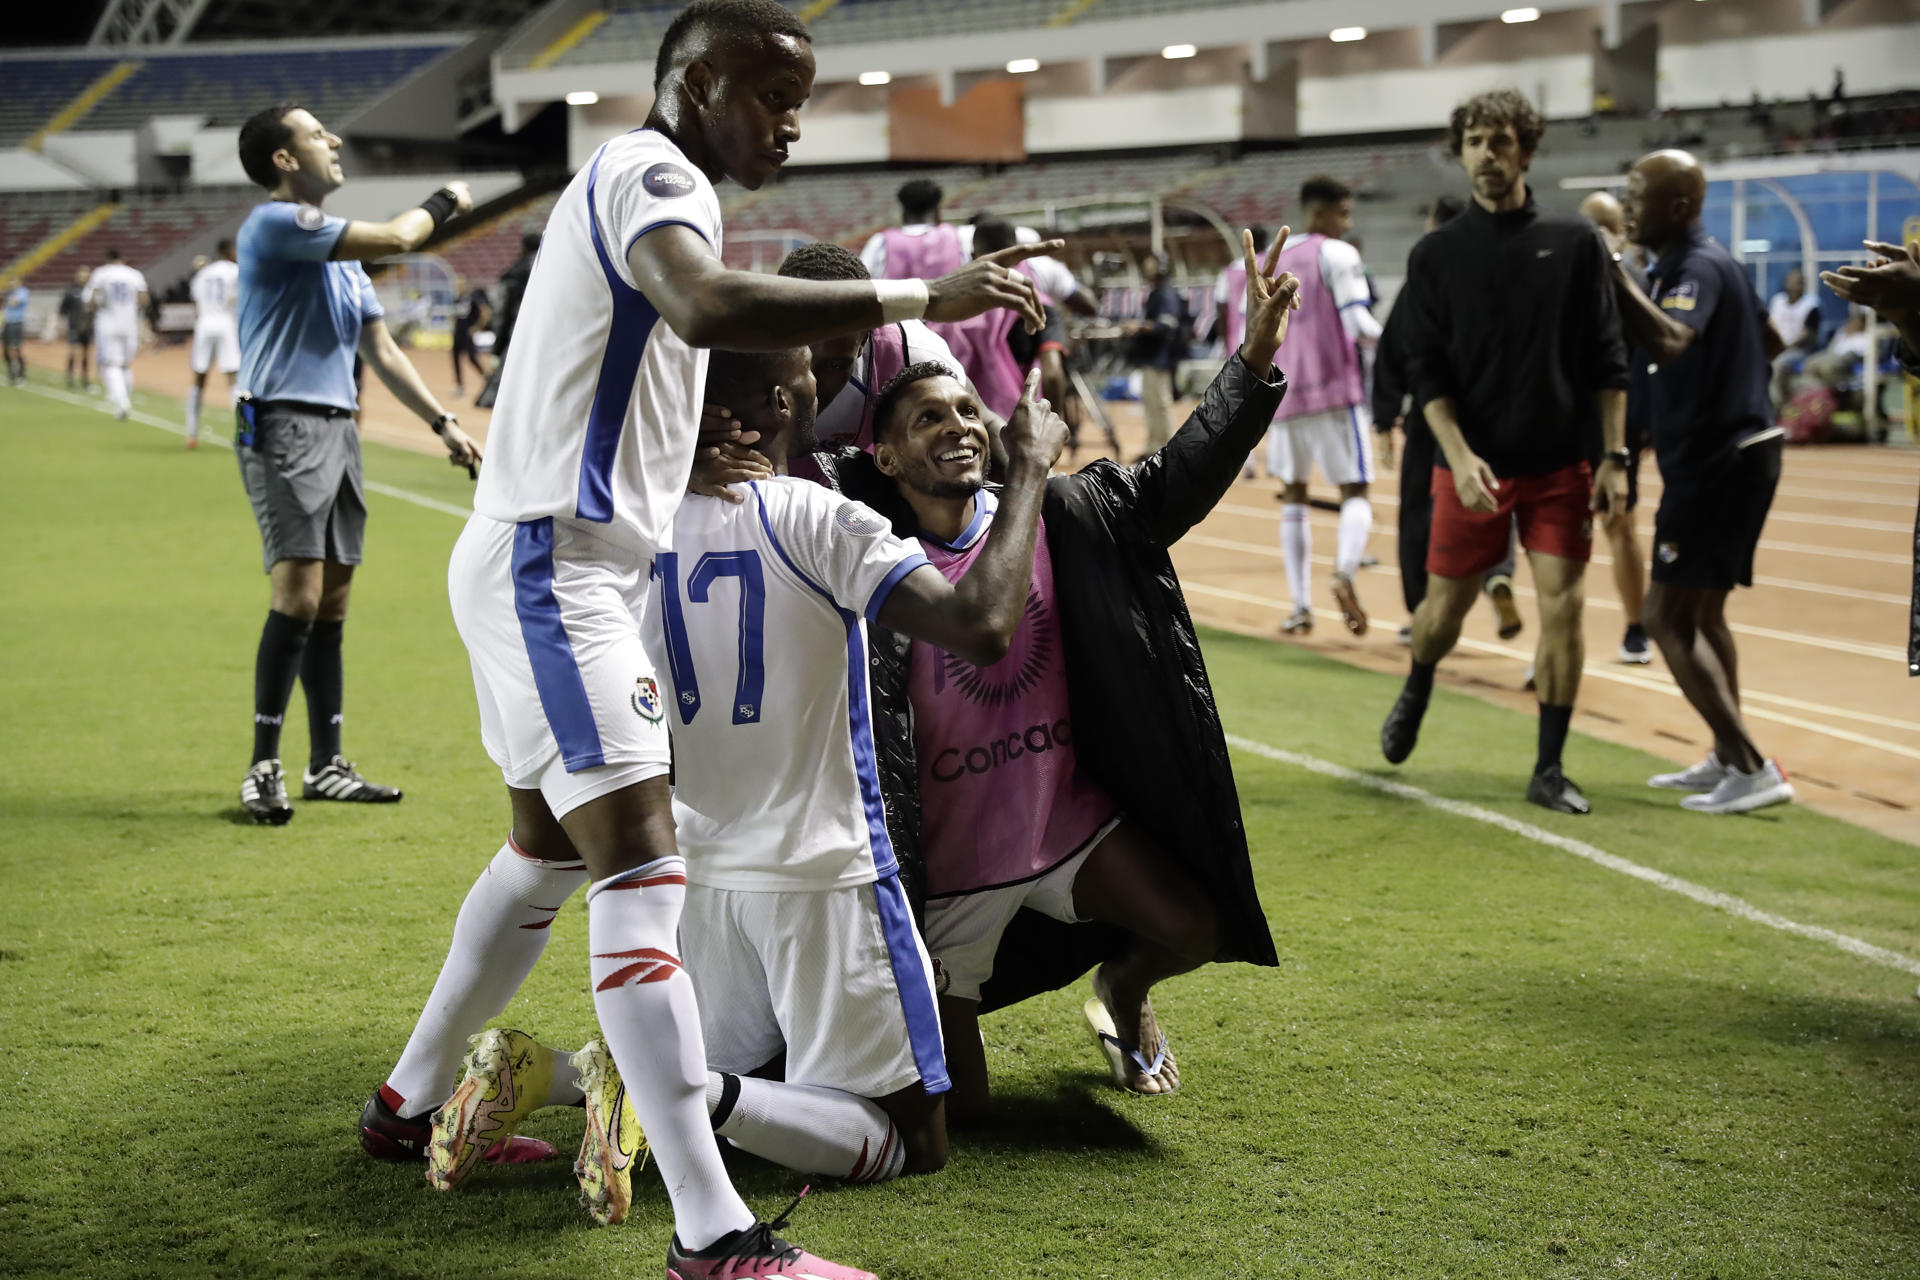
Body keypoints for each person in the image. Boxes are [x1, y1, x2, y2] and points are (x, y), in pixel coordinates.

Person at [365, 3, 1049, 1277]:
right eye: (771, 95)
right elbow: (699, 303)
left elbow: (700, 337)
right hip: (555, 564)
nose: (791, 122)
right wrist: (916, 290)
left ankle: (404, 1107)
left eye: (802, 100)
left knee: (540, 855)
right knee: (638, 866)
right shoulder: (651, 169)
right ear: (693, 80)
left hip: (543, 556)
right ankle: (716, 1236)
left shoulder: (647, 186)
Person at [811, 229, 1293, 1116]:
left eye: (967, 413)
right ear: (882, 459)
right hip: (952, 864)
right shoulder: (866, 559)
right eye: (927, 420)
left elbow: (1179, 479)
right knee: (968, 1114)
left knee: (1196, 925)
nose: (957, 427)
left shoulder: (1065, 515)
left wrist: (1254, 357)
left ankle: (1122, 991)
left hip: (1067, 825)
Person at [641, 347, 1063, 1184]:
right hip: (827, 871)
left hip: (703, 873)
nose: (823, 380)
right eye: (804, 368)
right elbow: (982, 626)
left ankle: (598, 1084)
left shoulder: (634, 523)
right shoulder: (817, 517)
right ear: (774, 399)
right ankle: (676, 1089)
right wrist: (1030, 474)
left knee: (767, 1109)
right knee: (917, 1141)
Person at [1379, 89, 1630, 815]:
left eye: (1503, 140)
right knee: (1443, 614)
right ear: (1461, 153)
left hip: (1559, 465)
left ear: (1526, 150)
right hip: (1471, 464)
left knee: (1565, 609)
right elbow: (1427, 372)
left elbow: (1607, 359)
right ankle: (1419, 681)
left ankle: (1549, 767)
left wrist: (1614, 456)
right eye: (1477, 141)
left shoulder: (1575, 243)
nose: (1490, 153)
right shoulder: (1435, 256)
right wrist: (1456, 455)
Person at [231, 103, 483, 825]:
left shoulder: (339, 264)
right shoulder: (275, 224)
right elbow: (405, 234)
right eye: (316, 134)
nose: (333, 142)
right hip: (285, 425)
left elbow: (382, 349)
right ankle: (263, 766)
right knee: (298, 597)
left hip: (339, 430)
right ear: (283, 159)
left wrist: (443, 423)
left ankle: (326, 764)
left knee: (334, 601)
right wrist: (448, 199)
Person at [1607, 149, 1793, 814]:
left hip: (1718, 463)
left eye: (1637, 194)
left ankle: (1751, 766)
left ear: (1680, 206)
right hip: (1733, 454)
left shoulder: (1694, 267)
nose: (1627, 207)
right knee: (1704, 614)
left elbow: (1674, 343)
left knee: (1662, 615)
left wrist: (1617, 279)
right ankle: (1726, 753)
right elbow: (1769, 341)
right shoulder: (1712, 265)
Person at [1372, 196, 1525, 646]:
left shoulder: (1426, 280)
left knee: (1421, 508)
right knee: (1497, 496)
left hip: (1434, 416)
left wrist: (1384, 420)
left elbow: (1395, 349)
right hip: (1498, 413)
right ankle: (1499, 574)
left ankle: (1422, 607)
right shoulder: (1504, 277)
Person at [1264, 176, 1382, 637]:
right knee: (1355, 489)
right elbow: (1358, 324)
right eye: (1344, 213)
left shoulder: (1265, 261)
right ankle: (1345, 571)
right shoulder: (1337, 253)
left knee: (1293, 496)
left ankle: (1300, 606)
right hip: (1334, 391)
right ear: (1321, 212)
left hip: (1282, 394)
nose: (1346, 223)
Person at [1578, 191, 1653, 664]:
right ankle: (1560, 637)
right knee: (1564, 531)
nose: (1603, 235)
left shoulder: (1637, 282)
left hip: (1620, 426)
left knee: (1620, 523)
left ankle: (1636, 627)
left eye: (1610, 225)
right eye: (1593, 226)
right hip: (1564, 423)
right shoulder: (1563, 279)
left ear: (1624, 231)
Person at [474, 230, 540, 410]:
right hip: (544, 330)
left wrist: (497, 346)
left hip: (517, 330)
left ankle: (495, 400)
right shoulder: (551, 267)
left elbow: (503, 311)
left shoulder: (515, 272)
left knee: (508, 368)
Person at [186, 238, 240, 449]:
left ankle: (191, 433)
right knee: (235, 380)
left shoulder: (202, 274)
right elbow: (239, 299)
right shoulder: (235, 271)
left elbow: (196, 305)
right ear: (228, 251)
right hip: (226, 325)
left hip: (204, 325)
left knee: (199, 379)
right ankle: (245, 433)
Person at [1131, 250, 1185, 457]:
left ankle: (1167, 447)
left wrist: (1140, 326)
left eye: (1150, 266)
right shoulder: (1155, 292)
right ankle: (1153, 445)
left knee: (1161, 403)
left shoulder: (1166, 293)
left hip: (1160, 357)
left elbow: (1167, 325)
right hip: (1149, 357)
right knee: (1151, 403)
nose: (1147, 270)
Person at [84, 248, 148, 420]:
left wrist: (96, 306)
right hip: (130, 324)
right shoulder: (135, 274)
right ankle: (124, 397)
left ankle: (122, 403)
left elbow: (91, 299)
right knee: (126, 365)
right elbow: (144, 300)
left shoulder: (101, 273)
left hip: (108, 324)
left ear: (107, 259)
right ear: (123, 258)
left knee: (111, 365)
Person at [859, 177, 965, 282]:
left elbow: (861, 280)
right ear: (937, 211)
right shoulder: (957, 237)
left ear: (903, 212)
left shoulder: (881, 242)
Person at [1766, 266, 1820, 404]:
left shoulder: (1811, 305)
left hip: (1799, 350)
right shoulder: (1777, 301)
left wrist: (1784, 347)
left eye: (1800, 282)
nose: (1797, 286)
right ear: (1786, 282)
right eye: (1794, 282)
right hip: (1776, 345)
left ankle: (1778, 406)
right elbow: (1770, 324)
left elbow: (1808, 336)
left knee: (1778, 364)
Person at [450, 275, 491, 396]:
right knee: (455, 359)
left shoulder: (472, 298)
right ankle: (459, 386)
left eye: (460, 284)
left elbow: (485, 312)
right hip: (457, 333)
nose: (458, 287)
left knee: (472, 359)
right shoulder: (456, 299)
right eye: (456, 284)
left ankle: (488, 379)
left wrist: (477, 328)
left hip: (468, 334)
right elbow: (454, 316)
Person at [60, 267, 93, 390]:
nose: (83, 278)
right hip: (74, 326)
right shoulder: (71, 292)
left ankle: (85, 380)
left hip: (88, 328)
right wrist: (62, 326)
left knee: (85, 354)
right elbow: (63, 310)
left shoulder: (92, 292)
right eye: (81, 275)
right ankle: (70, 378)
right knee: (73, 352)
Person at [2, 279, 25, 386]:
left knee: (15, 349)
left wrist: (8, 298)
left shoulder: (23, 292)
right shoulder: (10, 293)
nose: (11, 285)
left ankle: (20, 374)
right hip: (7, 323)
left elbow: (15, 303)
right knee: (6, 350)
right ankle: (11, 371)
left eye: (13, 283)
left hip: (16, 323)